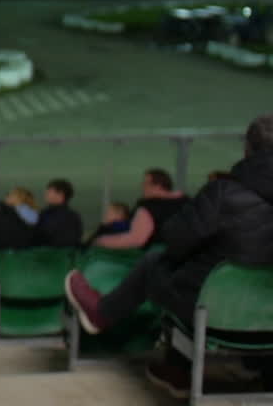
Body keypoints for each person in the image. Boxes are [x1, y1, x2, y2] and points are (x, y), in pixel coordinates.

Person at [66, 114, 273, 397]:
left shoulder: (224, 192)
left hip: (212, 312)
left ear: (248, 149)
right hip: (266, 318)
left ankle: (102, 314)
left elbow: (175, 239)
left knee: (157, 263)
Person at [94, 169, 188, 250]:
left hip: (156, 256)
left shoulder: (148, 208)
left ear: (158, 186)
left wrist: (102, 240)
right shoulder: (187, 202)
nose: (142, 186)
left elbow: (137, 239)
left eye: (146, 183)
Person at [33, 178, 83, 249]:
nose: (46, 195)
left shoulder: (52, 215)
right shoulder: (73, 215)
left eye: (49, 192)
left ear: (60, 195)